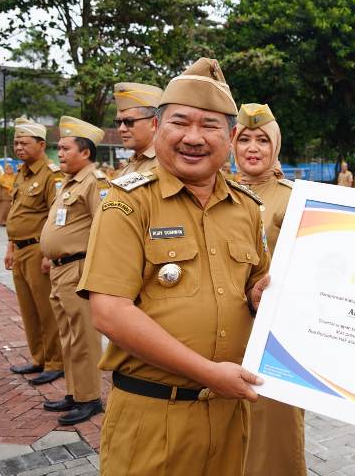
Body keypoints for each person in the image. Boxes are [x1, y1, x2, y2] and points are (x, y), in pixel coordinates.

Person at [78, 58, 271, 475]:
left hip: (228, 413)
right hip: (153, 415)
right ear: (158, 127)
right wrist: (208, 373)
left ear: (230, 137)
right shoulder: (127, 203)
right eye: (180, 123)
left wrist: (258, 298)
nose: (193, 138)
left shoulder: (247, 208)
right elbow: (109, 312)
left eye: (210, 126)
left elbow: (254, 290)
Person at [231, 102, 305, 476]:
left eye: (262, 140)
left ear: (276, 146)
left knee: (274, 428)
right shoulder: (219, 191)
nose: (252, 148)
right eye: (244, 139)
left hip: (274, 331)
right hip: (227, 328)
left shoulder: (293, 197)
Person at [40, 116, 107, 425]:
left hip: (78, 268)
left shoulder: (94, 182)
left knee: (83, 337)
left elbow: (104, 230)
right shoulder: (68, 181)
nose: (60, 153)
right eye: (59, 148)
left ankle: (90, 398)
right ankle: (74, 391)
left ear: (85, 152)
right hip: (59, 269)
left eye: (66, 148)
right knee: (68, 335)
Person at [4, 118, 64, 385]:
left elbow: (56, 216)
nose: (18, 147)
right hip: (19, 249)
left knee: (46, 309)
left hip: (38, 250)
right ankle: (39, 358)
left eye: (24, 143)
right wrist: (10, 246)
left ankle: (55, 362)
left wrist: (49, 254)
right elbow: (16, 212)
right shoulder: (22, 173)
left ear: (41, 145)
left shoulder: (51, 175)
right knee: (28, 309)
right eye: (16, 142)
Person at [113, 82, 163, 176]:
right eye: (118, 122)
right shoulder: (129, 166)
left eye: (129, 122)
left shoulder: (167, 165)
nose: (121, 129)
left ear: (154, 123)